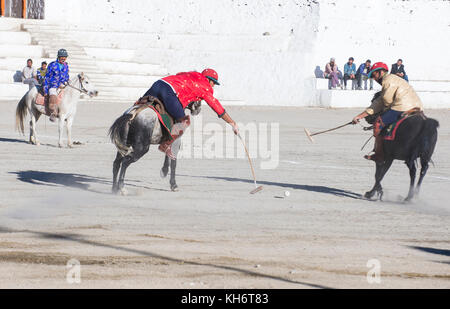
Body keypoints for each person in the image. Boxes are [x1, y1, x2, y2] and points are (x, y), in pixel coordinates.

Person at [143, 69, 240, 159]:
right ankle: (165, 146)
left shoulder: (192, 74)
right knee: (184, 121)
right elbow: (216, 106)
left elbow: (179, 74)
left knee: (141, 104)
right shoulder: (205, 87)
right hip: (169, 91)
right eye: (213, 82)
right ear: (208, 79)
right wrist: (232, 123)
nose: (213, 85)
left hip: (159, 83)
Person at [352, 62, 423, 162]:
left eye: (374, 75)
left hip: (402, 106)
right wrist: (361, 116)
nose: (374, 78)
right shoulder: (394, 78)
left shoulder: (387, 80)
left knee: (378, 123)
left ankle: (379, 155)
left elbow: (386, 102)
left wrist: (370, 115)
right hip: (418, 106)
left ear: (381, 72)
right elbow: (380, 101)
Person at [44, 49, 70, 122]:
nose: (63, 58)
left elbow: (67, 76)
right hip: (53, 85)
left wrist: (66, 82)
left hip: (63, 85)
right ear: (58, 57)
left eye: (65, 57)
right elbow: (47, 77)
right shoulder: (52, 65)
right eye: (62, 57)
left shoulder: (66, 66)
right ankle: (53, 113)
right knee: (53, 96)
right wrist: (46, 89)